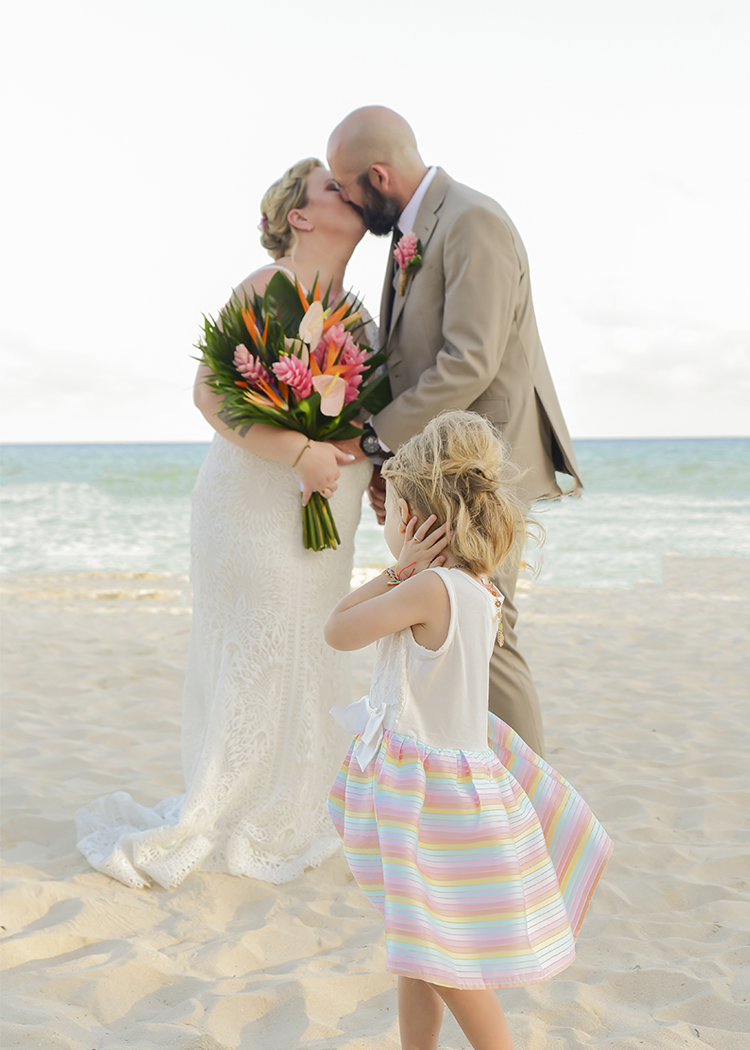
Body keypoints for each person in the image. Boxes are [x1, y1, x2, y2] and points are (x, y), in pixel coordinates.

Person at [75, 159, 375, 888]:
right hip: (254, 498)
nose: (349, 191)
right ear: (299, 216)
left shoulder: (356, 313)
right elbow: (211, 395)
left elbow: (364, 412)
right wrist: (300, 450)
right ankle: (233, 807)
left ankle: (298, 804)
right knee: (260, 648)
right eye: (332, 187)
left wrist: (347, 459)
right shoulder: (267, 286)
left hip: (328, 499)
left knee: (311, 646)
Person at [325, 410, 611, 1050]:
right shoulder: (479, 589)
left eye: (390, 512)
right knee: (419, 952)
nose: (386, 527)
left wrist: (397, 571)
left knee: (446, 965)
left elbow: (338, 630)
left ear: (415, 519)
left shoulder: (427, 588)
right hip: (457, 786)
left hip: (428, 801)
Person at [327, 106, 584, 757]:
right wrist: (391, 464)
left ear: (377, 176)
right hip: (441, 463)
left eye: (347, 187)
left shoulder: (473, 221)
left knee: (490, 627)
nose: (348, 203)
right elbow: (409, 361)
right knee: (470, 628)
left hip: (487, 462)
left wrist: (374, 440)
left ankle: (528, 793)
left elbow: (469, 361)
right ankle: (480, 781)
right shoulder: (413, 233)